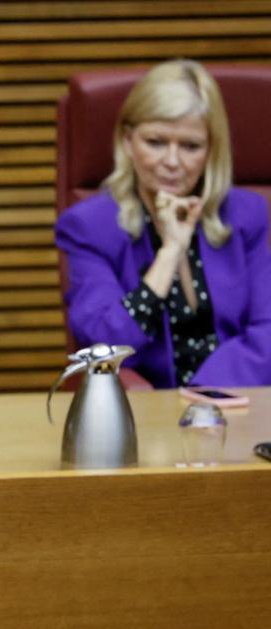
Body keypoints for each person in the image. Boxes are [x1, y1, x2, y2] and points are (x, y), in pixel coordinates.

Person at [55, 59, 271, 388]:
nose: (172, 161)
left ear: (212, 150)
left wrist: (206, 397)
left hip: (240, 401)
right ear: (128, 141)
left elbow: (267, 331)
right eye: (155, 142)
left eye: (190, 146)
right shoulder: (89, 228)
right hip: (149, 414)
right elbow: (103, 344)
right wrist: (170, 252)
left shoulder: (246, 215)